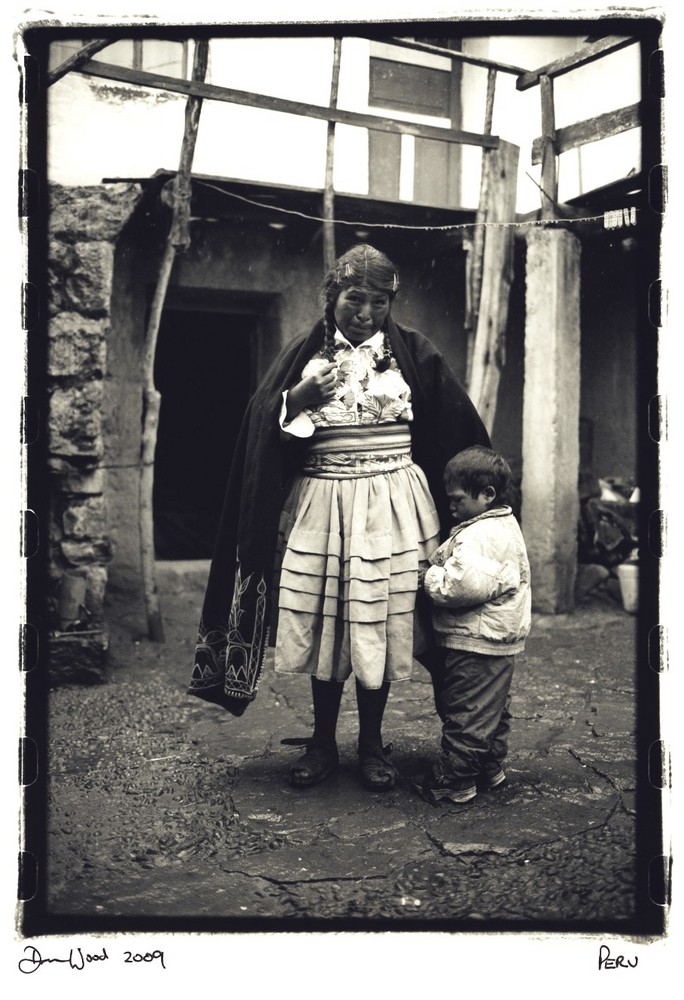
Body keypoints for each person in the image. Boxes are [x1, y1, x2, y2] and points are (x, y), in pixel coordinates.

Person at [188, 244, 490, 792]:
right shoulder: (302, 358)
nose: (366, 313)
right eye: (355, 299)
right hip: (324, 503)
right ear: (332, 297)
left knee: (380, 622)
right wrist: (296, 399)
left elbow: (458, 428)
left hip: (395, 509)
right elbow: (262, 427)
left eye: (379, 302)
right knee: (328, 622)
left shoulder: (415, 355)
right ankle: (323, 742)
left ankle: (371, 744)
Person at [414, 445, 531, 805]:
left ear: (487, 495)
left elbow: (461, 585)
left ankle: (456, 780)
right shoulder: (498, 525)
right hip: (494, 637)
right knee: (491, 709)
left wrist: (428, 576)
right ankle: (489, 768)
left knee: (465, 710)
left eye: (457, 499)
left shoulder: (481, 536)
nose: (451, 506)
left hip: (476, 639)